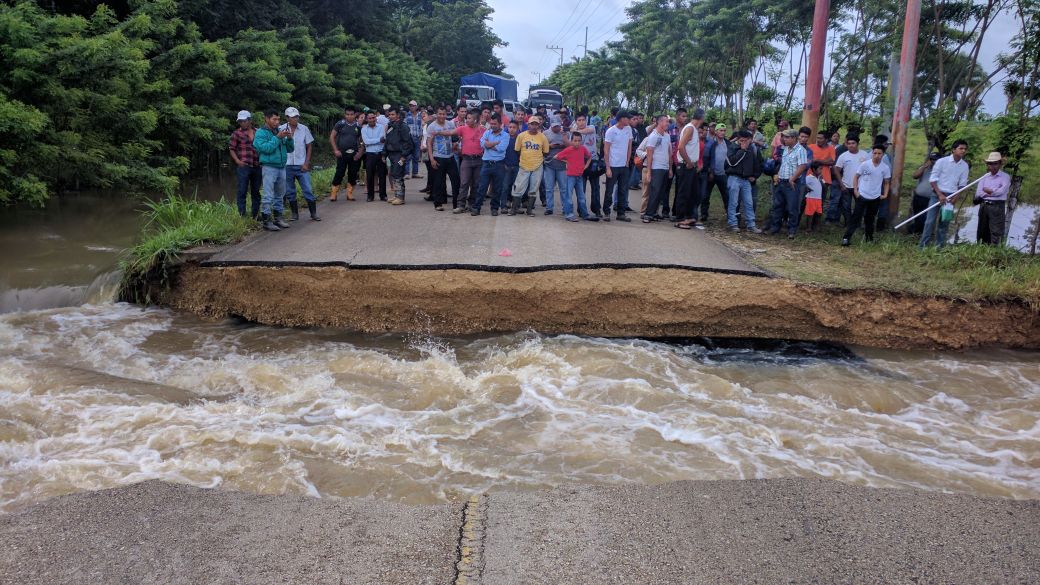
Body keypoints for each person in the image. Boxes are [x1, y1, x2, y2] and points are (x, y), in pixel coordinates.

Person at [920, 139, 969, 249]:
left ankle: (939, 247)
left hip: (951, 197)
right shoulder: (942, 162)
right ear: (953, 150)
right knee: (929, 222)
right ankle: (923, 247)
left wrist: (956, 197)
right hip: (936, 195)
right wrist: (940, 195)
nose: (963, 151)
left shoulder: (964, 166)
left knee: (944, 223)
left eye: (965, 149)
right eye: (961, 148)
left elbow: (962, 184)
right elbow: (933, 179)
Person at [252, 109, 294, 231]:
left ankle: (278, 218)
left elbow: (290, 149)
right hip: (269, 167)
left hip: (281, 167)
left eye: (278, 119)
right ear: (266, 119)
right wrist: (277, 138)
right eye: (274, 119)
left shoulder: (279, 131)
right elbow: (265, 149)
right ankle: (266, 221)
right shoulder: (260, 133)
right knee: (268, 195)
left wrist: (290, 138)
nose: (277, 122)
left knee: (280, 195)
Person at [841, 144, 891, 246]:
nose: (877, 155)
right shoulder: (865, 164)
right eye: (875, 153)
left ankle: (869, 238)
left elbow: (886, 182)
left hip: (875, 197)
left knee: (870, 219)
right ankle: (846, 238)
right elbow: (856, 177)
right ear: (872, 153)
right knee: (856, 218)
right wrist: (856, 190)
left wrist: (885, 194)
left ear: (883, 155)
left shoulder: (885, 168)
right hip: (862, 195)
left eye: (879, 153)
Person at [279, 107, 319, 221]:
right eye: (292, 117)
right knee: (290, 191)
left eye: (296, 117)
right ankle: (294, 214)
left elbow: (309, 146)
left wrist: (306, 163)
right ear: (287, 118)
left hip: (301, 164)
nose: (295, 119)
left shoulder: (304, 129)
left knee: (307, 189)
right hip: (287, 165)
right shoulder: (281, 129)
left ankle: (313, 213)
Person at [768, 128, 808, 238]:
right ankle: (776, 227)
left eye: (787, 137)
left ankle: (792, 230)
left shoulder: (800, 150)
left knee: (792, 207)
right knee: (778, 205)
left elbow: (802, 166)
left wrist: (792, 178)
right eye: (784, 137)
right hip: (781, 181)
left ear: (794, 138)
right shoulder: (786, 149)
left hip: (792, 183)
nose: (784, 139)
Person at [723, 130, 763, 233]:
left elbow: (757, 164)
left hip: (746, 180)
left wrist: (754, 176)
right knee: (733, 202)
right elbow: (731, 163)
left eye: (747, 141)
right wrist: (742, 150)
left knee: (749, 203)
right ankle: (733, 223)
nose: (744, 143)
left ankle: (751, 224)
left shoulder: (751, 149)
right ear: (739, 139)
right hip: (734, 178)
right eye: (742, 140)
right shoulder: (732, 148)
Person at [509, 115, 550, 216]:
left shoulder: (543, 137)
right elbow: (517, 150)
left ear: (538, 125)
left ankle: (529, 210)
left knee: (534, 189)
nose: (534, 126)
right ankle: (513, 209)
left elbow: (545, 152)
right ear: (528, 125)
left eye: (536, 124)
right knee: (518, 187)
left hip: (537, 166)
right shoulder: (521, 136)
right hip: (523, 165)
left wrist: (536, 159)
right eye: (532, 124)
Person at [470, 114, 508, 216]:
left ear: (500, 124)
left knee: (497, 188)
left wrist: (488, 144)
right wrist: (495, 143)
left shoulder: (505, 135)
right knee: (482, 187)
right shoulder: (487, 132)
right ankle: (476, 207)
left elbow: (501, 149)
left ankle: (494, 208)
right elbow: (482, 144)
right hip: (486, 164)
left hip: (499, 165)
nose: (492, 125)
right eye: (491, 123)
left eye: (495, 124)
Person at [553, 131, 593, 221]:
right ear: (571, 141)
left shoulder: (583, 149)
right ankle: (569, 214)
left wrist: (585, 166)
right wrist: (567, 162)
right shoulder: (568, 150)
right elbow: (556, 157)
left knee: (581, 196)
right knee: (568, 196)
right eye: (575, 140)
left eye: (579, 141)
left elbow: (589, 157)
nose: (577, 143)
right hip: (570, 176)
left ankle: (584, 214)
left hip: (579, 176)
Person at [229, 110, 262, 219]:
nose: (242, 123)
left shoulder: (258, 132)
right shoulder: (236, 133)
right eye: (240, 121)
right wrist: (238, 161)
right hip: (244, 166)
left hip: (257, 165)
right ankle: (242, 216)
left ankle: (255, 215)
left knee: (256, 191)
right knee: (242, 190)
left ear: (250, 120)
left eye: (244, 121)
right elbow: (232, 149)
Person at [601, 111, 633, 222]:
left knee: (623, 190)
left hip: (624, 165)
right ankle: (606, 212)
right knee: (609, 190)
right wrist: (608, 167)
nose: (629, 120)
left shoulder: (628, 130)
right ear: (621, 119)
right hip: (613, 165)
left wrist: (627, 161)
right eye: (628, 118)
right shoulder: (611, 131)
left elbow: (629, 146)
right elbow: (606, 150)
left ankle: (621, 213)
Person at [829, 135, 868, 226]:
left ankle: (857, 223)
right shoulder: (843, 156)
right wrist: (841, 184)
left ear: (858, 144)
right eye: (849, 143)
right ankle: (848, 223)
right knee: (846, 206)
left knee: (859, 206)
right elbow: (836, 170)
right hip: (846, 185)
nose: (851, 145)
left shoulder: (865, 155)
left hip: (860, 187)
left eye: (853, 143)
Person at [427, 106, 460, 212]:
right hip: (438, 157)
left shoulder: (450, 124)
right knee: (438, 181)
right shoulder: (432, 127)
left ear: (446, 114)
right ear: (436, 114)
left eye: (444, 114)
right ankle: (438, 203)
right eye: (440, 114)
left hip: (450, 157)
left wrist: (455, 145)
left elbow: (454, 138)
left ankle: (456, 204)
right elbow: (429, 143)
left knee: (456, 180)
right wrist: (431, 159)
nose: (442, 116)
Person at [642, 115, 673, 223]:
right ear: (659, 122)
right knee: (655, 191)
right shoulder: (653, 136)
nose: (667, 124)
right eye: (666, 122)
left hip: (665, 167)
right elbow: (650, 155)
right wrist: (649, 171)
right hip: (656, 168)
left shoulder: (667, 136)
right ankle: (648, 214)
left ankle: (654, 213)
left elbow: (670, 153)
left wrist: (670, 168)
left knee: (661, 192)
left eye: (668, 122)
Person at [329, 106, 364, 202]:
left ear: (355, 114)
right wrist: (336, 150)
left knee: (353, 174)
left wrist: (360, 153)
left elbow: (362, 141)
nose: (349, 116)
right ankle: (334, 193)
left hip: (354, 155)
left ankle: (349, 193)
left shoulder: (358, 126)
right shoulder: (340, 124)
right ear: (345, 115)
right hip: (342, 154)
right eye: (347, 114)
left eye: (351, 114)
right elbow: (332, 137)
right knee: (339, 173)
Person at [975, 151, 1011, 244]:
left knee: (996, 231)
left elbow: (1001, 192)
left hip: (997, 206)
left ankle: (995, 252)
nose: (993, 166)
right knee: (982, 230)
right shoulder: (984, 177)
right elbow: (979, 193)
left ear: (1000, 164)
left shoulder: (1005, 177)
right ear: (988, 165)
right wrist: (992, 192)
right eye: (990, 164)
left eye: (995, 163)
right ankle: (982, 250)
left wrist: (988, 191)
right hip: (984, 205)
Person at [675, 110, 702, 227]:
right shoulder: (690, 128)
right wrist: (689, 162)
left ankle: (689, 216)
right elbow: (681, 147)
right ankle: (680, 218)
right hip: (686, 165)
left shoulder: (694, 130)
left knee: (693, 193)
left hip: (692, 166)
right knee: (684, 192)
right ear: (701, 118)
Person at [383, 107, 414, 205]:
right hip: (391, 154)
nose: (391, 116)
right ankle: (396, 195)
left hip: (399, 154)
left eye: (393, 114)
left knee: (398, 175)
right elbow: (387, 140)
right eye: (390, 114)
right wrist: (384, 154)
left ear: (398, 115)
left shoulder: (403, 126)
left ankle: (400, 197)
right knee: (393, 174)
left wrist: (404, 155)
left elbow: (407, 142)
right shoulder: (390, 125)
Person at [574, 113, 601, 220]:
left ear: (586, 121)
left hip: (593, 160)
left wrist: (575, 131)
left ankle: (597, 210)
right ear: (576, 121)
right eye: (579, 120)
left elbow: (587, 131)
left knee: (595, 187)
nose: (581, 122)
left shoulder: (591, 127)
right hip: (580, 162)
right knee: (581, 188)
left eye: (583, 120)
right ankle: (581, 210)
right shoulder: (574, 133)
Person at [541, 121, 569, 216]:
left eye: (558, 126)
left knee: (564, 188)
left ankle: (565, 208)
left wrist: (563, 144)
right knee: (549, 188)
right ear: (551, 126)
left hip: (562, 164)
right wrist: (550, 146)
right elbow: (541, 147)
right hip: (549, 163)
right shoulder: (545, 133)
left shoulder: (565, 133)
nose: (556, 128)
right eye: (554, 126)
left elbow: (570, 147)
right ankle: (549, 207)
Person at [704, 124, 730, 222]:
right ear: (716, 132)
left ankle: (730, 215)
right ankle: (704, 214)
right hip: (711, 173)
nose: (723, 132)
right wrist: (709, 171)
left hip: (723, 174)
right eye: (720, 130)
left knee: (726, 195)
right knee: (706, 195)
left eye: (724, 130)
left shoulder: (727, 143)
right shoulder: (710, 143)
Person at [361, 111, 388, 202]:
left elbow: (383, 139)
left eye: (373, 118)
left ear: (376, 118)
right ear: (367, 119)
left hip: (380, 153)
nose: (372, 120)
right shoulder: (364, 129)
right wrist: (377, 140)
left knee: (382, 175)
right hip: (370, 154)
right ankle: (370, 196)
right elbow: (366, 141)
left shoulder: (381, 127)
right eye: (370, 118)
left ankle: (383, 195)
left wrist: (372, 141)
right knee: (370, 175)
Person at [910, 153, 939, 234]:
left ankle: (918, 232)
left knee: (925, 219)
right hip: (918, 197)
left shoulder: (941, 170)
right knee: (917, 216)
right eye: (932, 159)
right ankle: (915, 232)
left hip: (931, 198)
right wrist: (924, 167)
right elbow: (915, 176)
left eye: (935, 160)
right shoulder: (924, 168)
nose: (933, 161)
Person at [808, 130, 836, 211]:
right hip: (809, 177)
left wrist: (817, 160)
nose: (818, 140)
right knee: (805, 200)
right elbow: (809, 160)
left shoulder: (831, 149)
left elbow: (832, 162)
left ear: (826, 140)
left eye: (821, 138)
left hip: (825, 179)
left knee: (820, 201)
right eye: (817, 138)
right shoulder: (811, 147)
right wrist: (825, 161)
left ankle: (816, 222)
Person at [502, 120, 521, 212]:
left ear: (517, 129)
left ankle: (516, 206)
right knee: (505, 186)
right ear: (507, 128)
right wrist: (503, 163)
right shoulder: (505, 138)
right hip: (506, 166)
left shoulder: (519, 139)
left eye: (514, 127)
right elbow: (501, 152)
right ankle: (504, 205)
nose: (512, 129)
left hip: (517, 166)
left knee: (516, 186)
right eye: (510, 127)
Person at [404, 100, 424, 179]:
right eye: (410, 106)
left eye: (413, 106)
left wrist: (421, 136)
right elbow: (405, 127)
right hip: (409, 138)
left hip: (417, 137)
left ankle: (415, 173)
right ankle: (407, 173)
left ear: (416, 107)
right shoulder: (406, 115)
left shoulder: (420, 115)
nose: (412, 107)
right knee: (408, 156)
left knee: (416, 156)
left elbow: (422, 126)